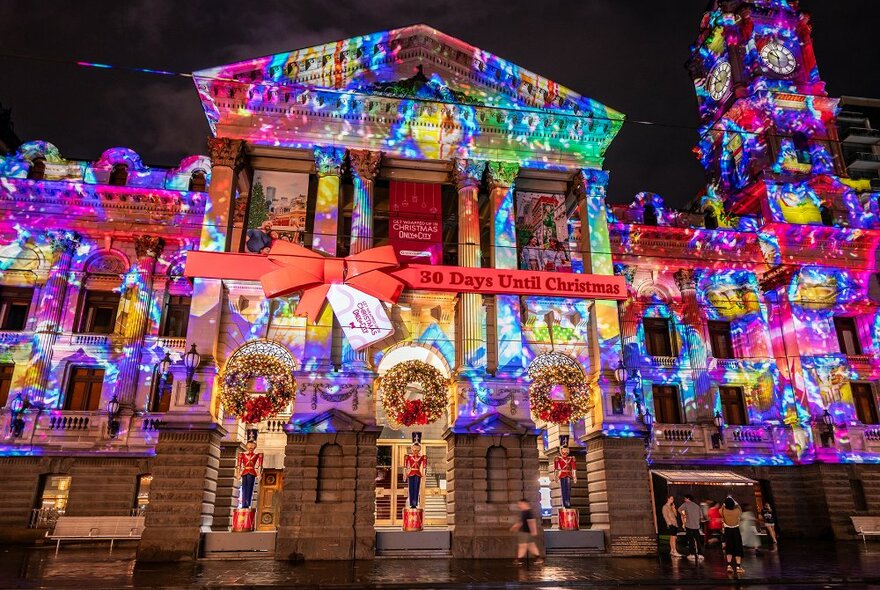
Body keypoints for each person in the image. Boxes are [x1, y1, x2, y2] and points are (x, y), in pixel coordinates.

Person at [235, 431, 264, 509]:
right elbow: (238, 465)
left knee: (250, 488)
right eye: (249, 445)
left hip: (252, 472)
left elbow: (260, 465)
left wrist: (259, 473)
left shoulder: (258, 455)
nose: (251, 447)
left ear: (255, 446)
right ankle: (244, 503)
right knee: (244, 488)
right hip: (245, 472)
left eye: (252, 445)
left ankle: (248, 503)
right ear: (247, 445)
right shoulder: (242, 454)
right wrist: (238, 473)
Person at [511, 498, 543, 566]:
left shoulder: (527, 512)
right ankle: (538, 558)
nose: (519, 505)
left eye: (520, 504)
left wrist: (534, 531)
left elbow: (531, 521)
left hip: (524, 532)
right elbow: (523, 522)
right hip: (527, 532)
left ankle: (518, 560)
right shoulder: (526, 512)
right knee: (531, 546)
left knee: (522, 546)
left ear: (524, 504)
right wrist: (516, 526)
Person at [720, 496, 745, 575]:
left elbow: (721, 508)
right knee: (738, 547)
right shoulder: (737, 511)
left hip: (728, 531)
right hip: (736, 530)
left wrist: (724, 503)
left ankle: (729, 566)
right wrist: (734, 501)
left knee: (729, 547)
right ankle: (738, 567)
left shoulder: (723, 511)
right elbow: (739, 507)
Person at [403, 435, 427, 509]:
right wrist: (405, 473)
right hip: (411, 473)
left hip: (418, 473)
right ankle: (411, 503)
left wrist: (424, 474)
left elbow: (424, 466)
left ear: (419, 448)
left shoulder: (422, 457)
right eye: (414, 448)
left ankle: (415, 503)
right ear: (412, 448)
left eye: (417, 448)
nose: (416, 450)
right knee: (411, 488)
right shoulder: (408, 456)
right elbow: (405, 466)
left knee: (416, 488)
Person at [553, 438, 577, 509]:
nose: (565, 451)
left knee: (568, 489)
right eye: (564, 449)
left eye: (566, 449)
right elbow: (556, 468)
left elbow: (574, 468)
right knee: (563, 489)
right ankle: (564, 503)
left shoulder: (571, 458)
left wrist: (575, 476)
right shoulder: (558, 458)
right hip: (562, 474)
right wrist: (556, 476)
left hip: (569, 474)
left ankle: (568, 502)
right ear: (561, 450)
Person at [680, 494, 704, 562]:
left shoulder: (685, 504)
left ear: (688, 499)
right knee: (698, 540)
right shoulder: (697, 506)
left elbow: (679, 509)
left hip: (689, 525)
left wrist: (684, 515)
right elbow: (701, 517)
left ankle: (692, 554)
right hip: (696, 526)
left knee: (691, 540)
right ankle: (700, 554)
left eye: (685, 499)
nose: (684, 500)